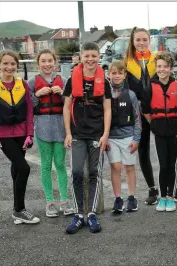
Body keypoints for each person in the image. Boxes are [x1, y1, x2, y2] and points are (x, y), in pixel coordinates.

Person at [124, 27, 177, 205]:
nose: (142, 42)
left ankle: (172, 189)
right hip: (138, 112)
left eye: (145, 39)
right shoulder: (127, 62)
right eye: (138, 40)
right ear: (133, 41)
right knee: (143, 149)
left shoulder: (157, 60)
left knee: (169, 153)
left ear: (149, 40)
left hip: (160, 113)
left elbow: (169, 83)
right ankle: (152, 188)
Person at [63, 42, 112, 234]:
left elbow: (107, 110)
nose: (90, 59)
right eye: (87, 56)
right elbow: (66, 108)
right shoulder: (71, 80)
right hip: (76, 133)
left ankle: (91, 213)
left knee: (94, 173)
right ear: (81, 57)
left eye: (94, 55)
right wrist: (67, 132)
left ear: (98, 57)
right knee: (76, 172)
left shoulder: (105, 82)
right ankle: (78, 214)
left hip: (97, 134)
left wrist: (106, 134)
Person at [27, 49, 75, 217]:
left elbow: (71, 103)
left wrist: (62, 94)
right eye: (43, 61)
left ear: (55, 62)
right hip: (42, 126)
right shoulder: (32, 82)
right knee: (46, 165)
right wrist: (36, 95)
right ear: (38, 63)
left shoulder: (64, 80)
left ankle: (64, 200)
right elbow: (28, 106)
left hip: (61, 125)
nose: (47, 64)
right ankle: (49, 202)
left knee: (61, 164)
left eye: (50, 61)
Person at [141, 51, 177, 212]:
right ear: (156, 67)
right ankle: (162, 197)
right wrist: (153, 124)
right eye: (159, 66)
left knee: (171, 165)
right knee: (163, 165)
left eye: (165, 67)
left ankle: (170, 196)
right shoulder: (150, 86)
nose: (162, 69)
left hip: (175, 131)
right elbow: (145, 109)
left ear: (170, 68)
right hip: (160, 131)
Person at [0, 50, 40, 224]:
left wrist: (30, 134)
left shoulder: (22, 84)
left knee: (17, 168)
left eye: (12, 64)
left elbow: (30, 111)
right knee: (24, 168)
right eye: (5, 63)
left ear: (17, 65)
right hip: (4, 135)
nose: (9, 67)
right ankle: (19, 210)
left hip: (22, 135)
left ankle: (17, 210)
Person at [106, 60, 141, 213]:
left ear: (125, 75)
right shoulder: (105, 94)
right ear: (108, 74)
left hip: (128, 136)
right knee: (115, 167)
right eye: (114, 73)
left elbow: (138, 118)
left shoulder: (131, 94)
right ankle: (118, 198)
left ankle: (132, 197)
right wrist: (104, 137)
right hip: (111, 137)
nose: (117, 76)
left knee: (129, 167)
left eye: (120, 73)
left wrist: (136, 138)